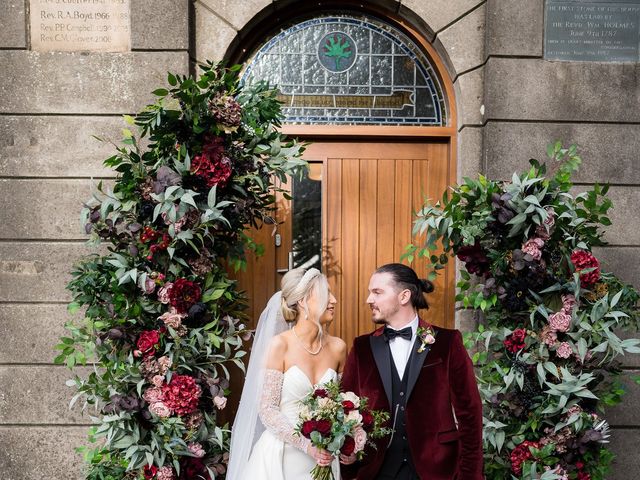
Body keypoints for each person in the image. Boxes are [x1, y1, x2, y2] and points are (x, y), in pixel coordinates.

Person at [340, 263, 483, 480]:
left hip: (437, 469)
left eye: (377, 292)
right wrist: (349, 459)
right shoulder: (362, 348)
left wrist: (470, 476)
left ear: (404, 296)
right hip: (377, 469)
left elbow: (469, 413)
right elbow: (345, 407)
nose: (369, 300)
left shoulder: (447, 342)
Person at [227, 267, 347, 480]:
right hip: (282, 457)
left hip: (324, 458)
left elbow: (343, 405)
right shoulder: (279, 345)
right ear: (302, 301)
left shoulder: (338, 347)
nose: (334, 300)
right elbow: (267, 409)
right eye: (326, 294)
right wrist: (307, 446)